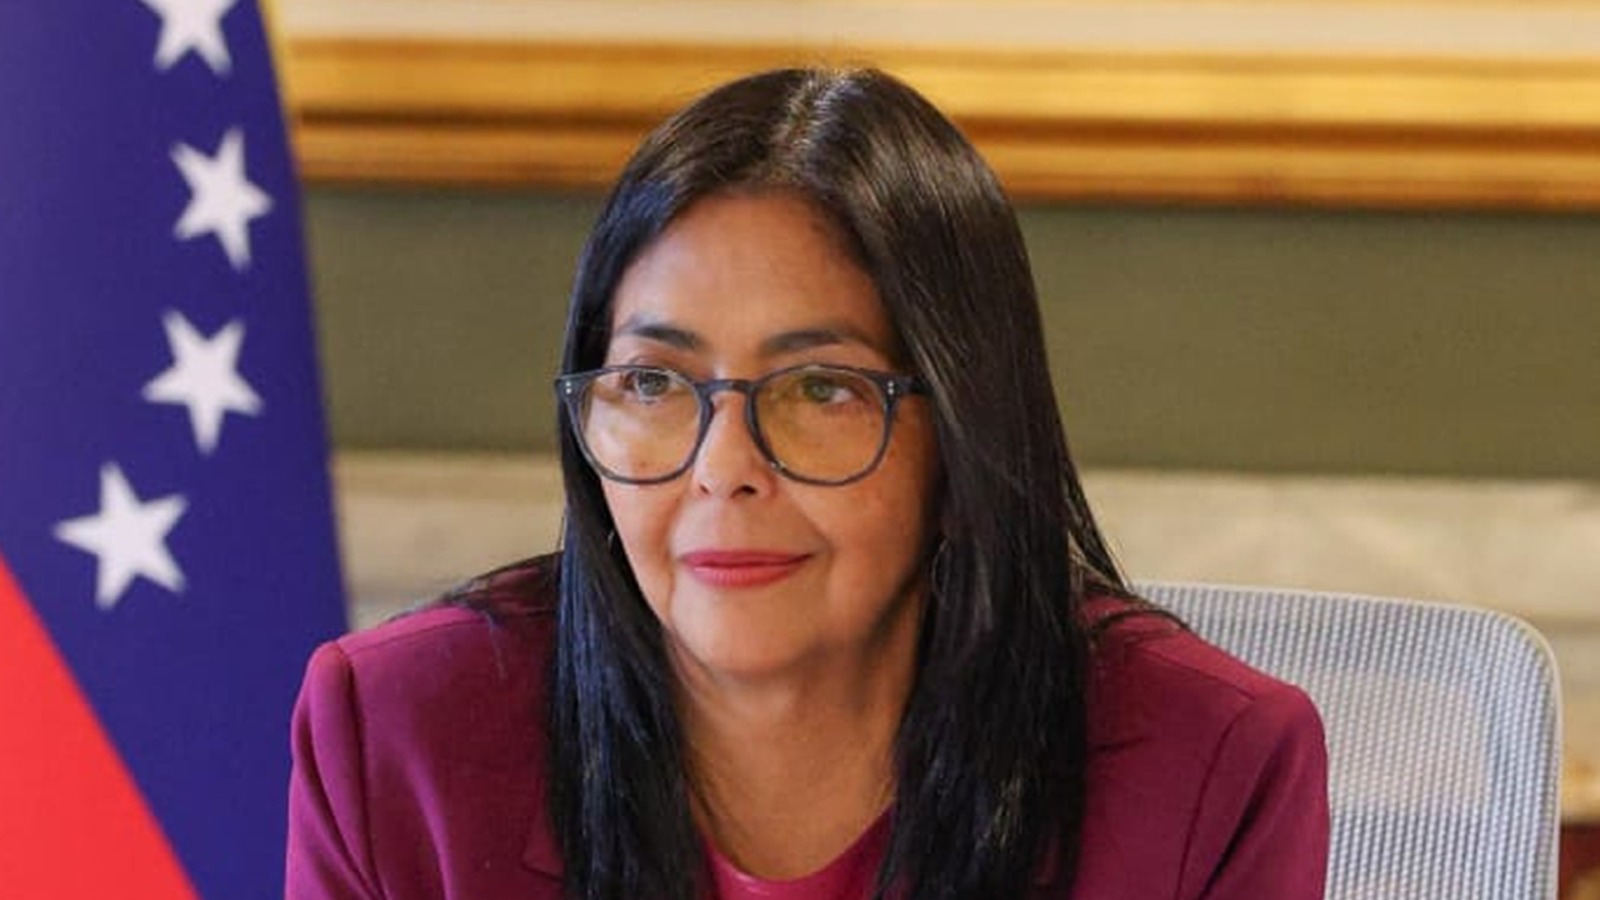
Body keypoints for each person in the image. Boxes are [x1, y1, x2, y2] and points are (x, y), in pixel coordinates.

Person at [285, 67, 1328, 899]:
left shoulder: (1208, 768)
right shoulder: (400, 734)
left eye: (821, 389)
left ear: (964, 432)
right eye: (652, 382)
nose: (724, 470)